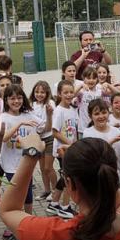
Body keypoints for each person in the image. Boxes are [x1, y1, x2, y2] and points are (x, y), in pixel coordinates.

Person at [0, 84, 48, 240]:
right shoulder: (3, 118)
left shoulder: (29, 114)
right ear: (6, 100)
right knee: (16, 198)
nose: (16, 101)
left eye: (19, 97)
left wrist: (49, 113)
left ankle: (27, 225)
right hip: (10, 166)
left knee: (27, 196)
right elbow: (4, 139)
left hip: (26, 162)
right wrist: (19, 126)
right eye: (12, 98)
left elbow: (43, 128)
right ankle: (16, 229)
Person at [47, 80, 79, 220]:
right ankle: (65, 207)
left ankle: (54, 203)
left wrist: (76, 143)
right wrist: (70, 144)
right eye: (65, 92)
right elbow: (55, 132)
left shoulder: (72, 109)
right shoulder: (59, 111)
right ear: (59, 94)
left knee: (64, 176)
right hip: (62, 150)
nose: (69, 95)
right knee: (69, 178)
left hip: (71, 148)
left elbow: (74, 129)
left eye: (71, 92)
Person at [30, 81, 57, 201]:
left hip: (49, 138)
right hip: (38, 139)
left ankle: (56, 191)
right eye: (37, 92)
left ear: (47, 93)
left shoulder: (50, 103)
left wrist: (49, 115)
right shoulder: (32, 104)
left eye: (42, 92)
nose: (39, 94)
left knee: (48, 167)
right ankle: (46, 190)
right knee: (41, 168)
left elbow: (49, 127)